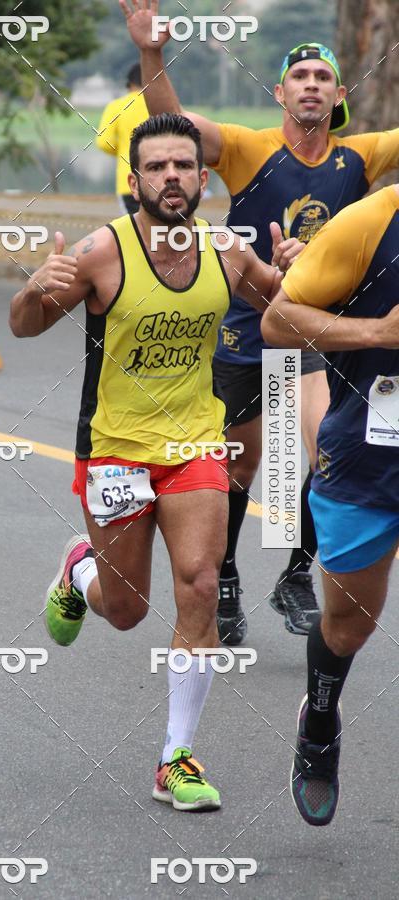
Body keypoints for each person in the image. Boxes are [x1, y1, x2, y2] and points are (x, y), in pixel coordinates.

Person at [10, 113, 302, 811]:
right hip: (113, 447)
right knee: (126, 610)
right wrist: (33, 286)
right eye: (157, 167)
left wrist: (297, 270)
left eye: (184, 165)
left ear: (202, 178)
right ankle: (80, 566)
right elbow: (23, 324)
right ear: (134, 180)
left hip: (195, 442)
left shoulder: (228, 252)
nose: (172, 176)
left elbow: (284, 309)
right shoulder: (98, 254)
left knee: (200, 583)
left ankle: (175, 756)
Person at [121, 0, 399, 644]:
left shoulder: (361, 158)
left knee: (322, 444)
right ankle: (224, 577)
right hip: (246, 324)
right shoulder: (250, 149)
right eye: (299, 75)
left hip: (307, 324)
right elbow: (173, 126)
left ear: (337, 95)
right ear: (280, 92)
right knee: (240, 467)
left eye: (322, 77)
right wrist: (151, 53)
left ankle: (297, 573)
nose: (310, 84)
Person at [262, 183, 399, 825]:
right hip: (371, 457)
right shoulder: (373, 220)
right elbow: (278, 320)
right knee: (348, 625)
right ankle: (320, 718)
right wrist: (376, 330)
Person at [96, 63, 149, 214]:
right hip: (160, 182)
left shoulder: (116, 106)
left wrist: (122, 151)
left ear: (130, 84)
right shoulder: (161, 105)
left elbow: (103, 142)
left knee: (133, 231)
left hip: (129, 181)